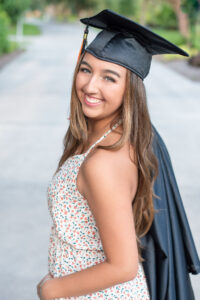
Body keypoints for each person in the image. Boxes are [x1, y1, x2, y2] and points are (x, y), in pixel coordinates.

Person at [37, 9, 200, 300]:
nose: (90, 85)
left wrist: (51, 289)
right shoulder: (115, 136)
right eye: (86, 69)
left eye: (109, 78)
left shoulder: (103, 162)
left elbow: (123, 265)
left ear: (130, 89)